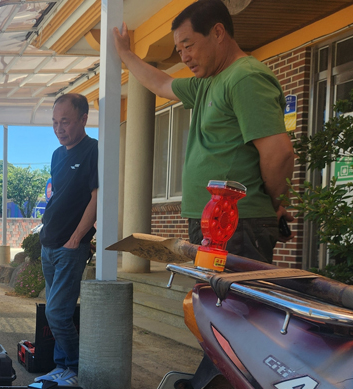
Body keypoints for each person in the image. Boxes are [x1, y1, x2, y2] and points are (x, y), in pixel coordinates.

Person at [113, 0, 295, 263]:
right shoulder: (206, 83)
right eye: (179, 50)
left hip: (238, 222)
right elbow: (162, 83)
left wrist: (276, 204)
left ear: (218, 33)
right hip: (212, 219)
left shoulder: (245, 77)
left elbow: (279, 153)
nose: (184, 57)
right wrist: (126, 55)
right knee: (210, 300)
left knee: (232, 303)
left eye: (189, 46)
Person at [32, 93, 99, 388]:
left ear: (84, 119)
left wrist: (76, 238)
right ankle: (61, 366)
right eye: (55, 122)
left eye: (66, 122)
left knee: (57, 312)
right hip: (49, 243)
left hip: (71, 246)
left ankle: (73, 367)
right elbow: (59, 197)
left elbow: (97, 197)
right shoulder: (57, 155)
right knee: (55, 311)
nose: (59, 128)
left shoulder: (94, 151)